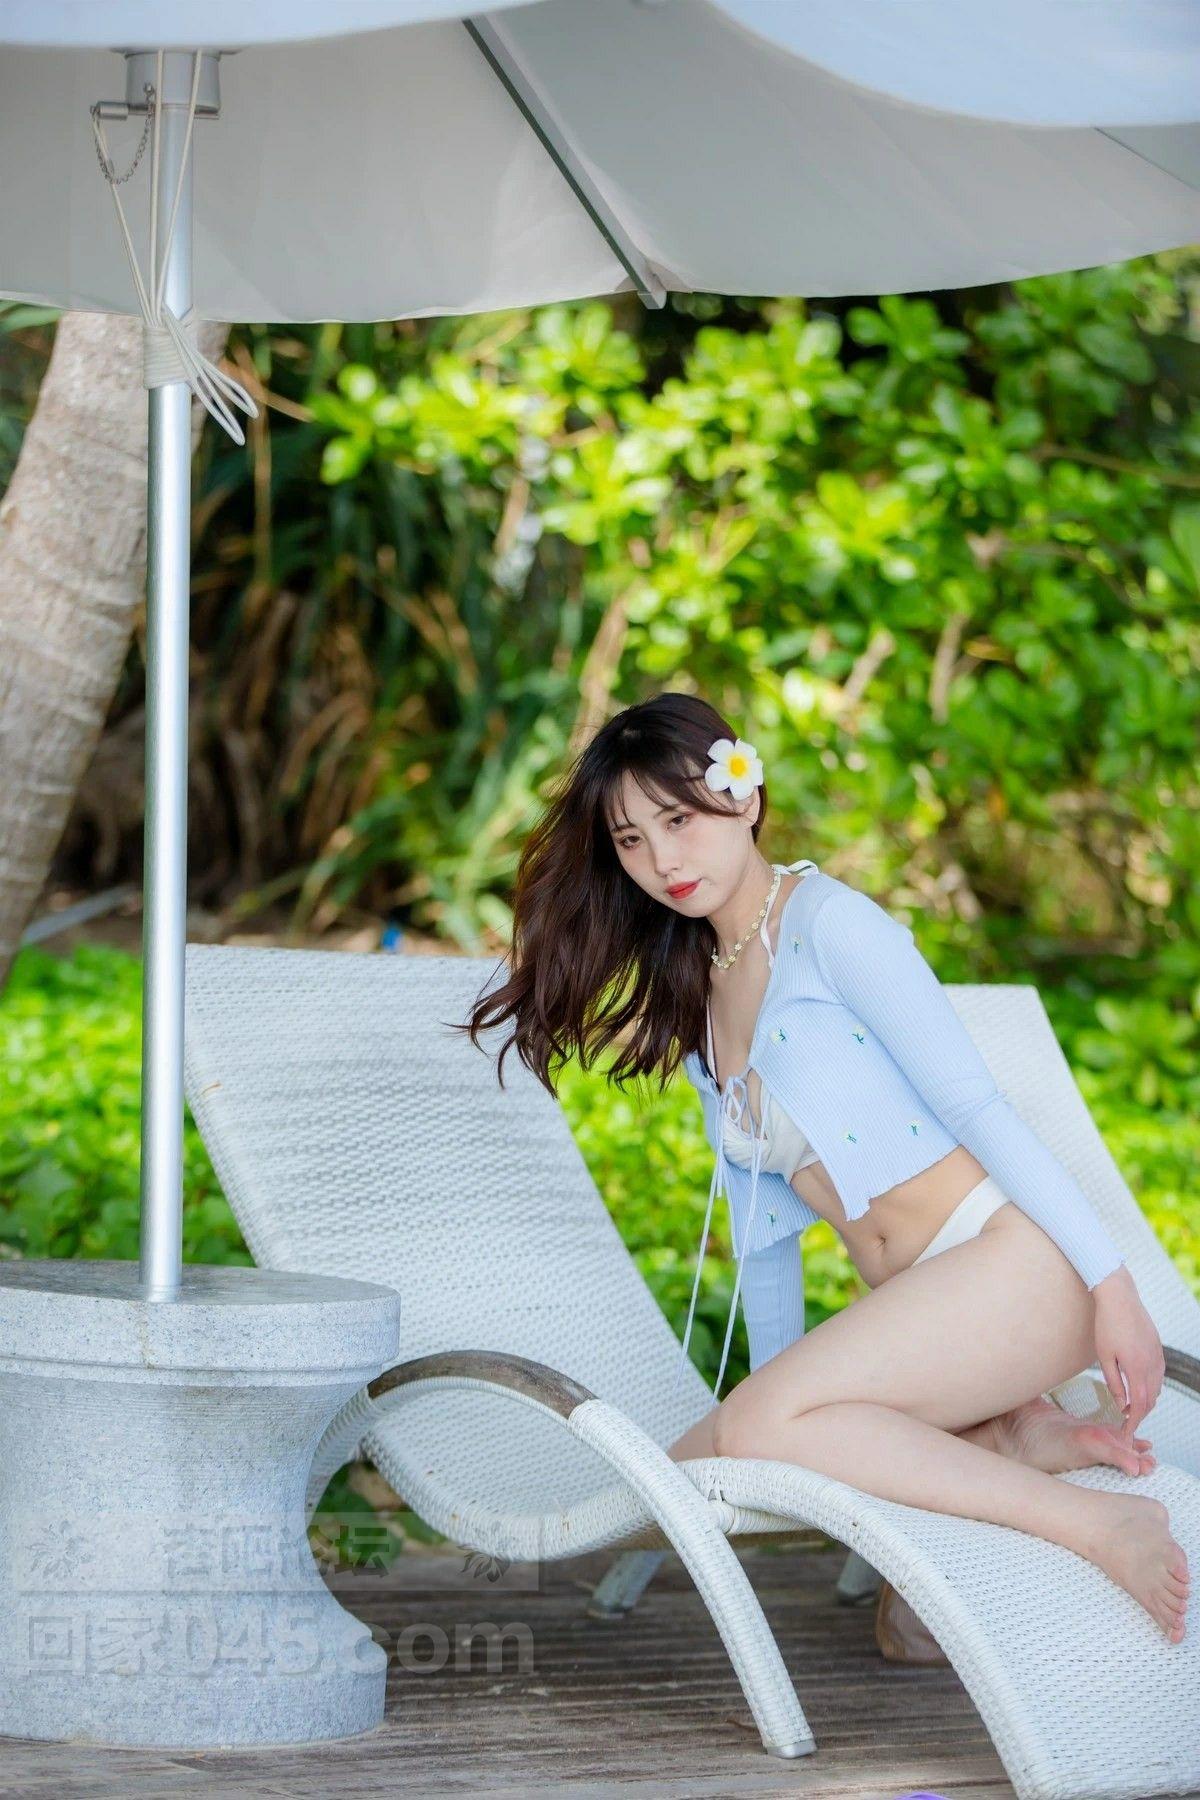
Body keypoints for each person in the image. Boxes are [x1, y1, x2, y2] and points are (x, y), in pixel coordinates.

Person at [456, 691, 1188, 1647]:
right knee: (726, 1477)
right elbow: (764, 1240)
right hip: (936, 1316)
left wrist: (1112, 1283)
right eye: (632, 841)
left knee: (751, 1430)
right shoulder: (701, 997)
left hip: (1019, 1269)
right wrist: (777, 1420)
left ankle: (1099, 1522)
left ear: (744, 797)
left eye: (679, 820)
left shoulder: (834, 926)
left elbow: (980, 1109)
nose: (663, 860)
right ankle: (1010, 1434)